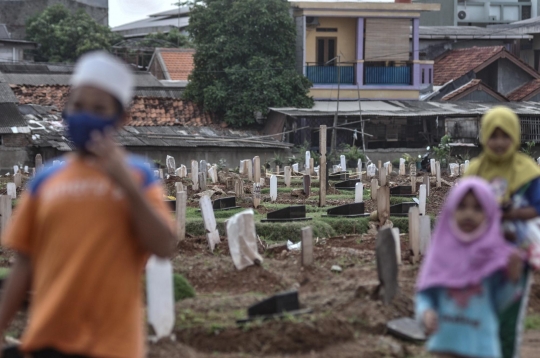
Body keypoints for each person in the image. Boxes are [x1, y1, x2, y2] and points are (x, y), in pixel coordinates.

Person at [0, 52, 176, 358]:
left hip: (113, 345)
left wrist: (126, 186)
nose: (85, 115)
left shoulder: (138, 175)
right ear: (66, 111)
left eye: (98, 109)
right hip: (48, 340)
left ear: (121, 119)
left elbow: (164, 246)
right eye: (78, 106)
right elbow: (25, 263)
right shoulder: (46, 179)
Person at [416, 177, 523, 358]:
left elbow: (499, 302)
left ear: (489, 213)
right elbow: (426, 294)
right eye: (462, 206)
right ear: (451, 210)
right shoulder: (441, 253)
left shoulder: (494, 257)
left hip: (481, 345)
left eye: (477, 208)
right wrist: (425, 313)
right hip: (446, 343)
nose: (469, 214)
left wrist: (513, 279)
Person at [466, 106, 540, 358]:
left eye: (505, 135)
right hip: (479, 254)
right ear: (484, 136)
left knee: (508, 318)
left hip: (514, 255)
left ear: (515, 136)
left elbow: (537, 207)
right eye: (493, 135)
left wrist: (510, 214)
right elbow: (461, 209)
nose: (499, 142)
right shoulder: (474, 171)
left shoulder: (527, 171)